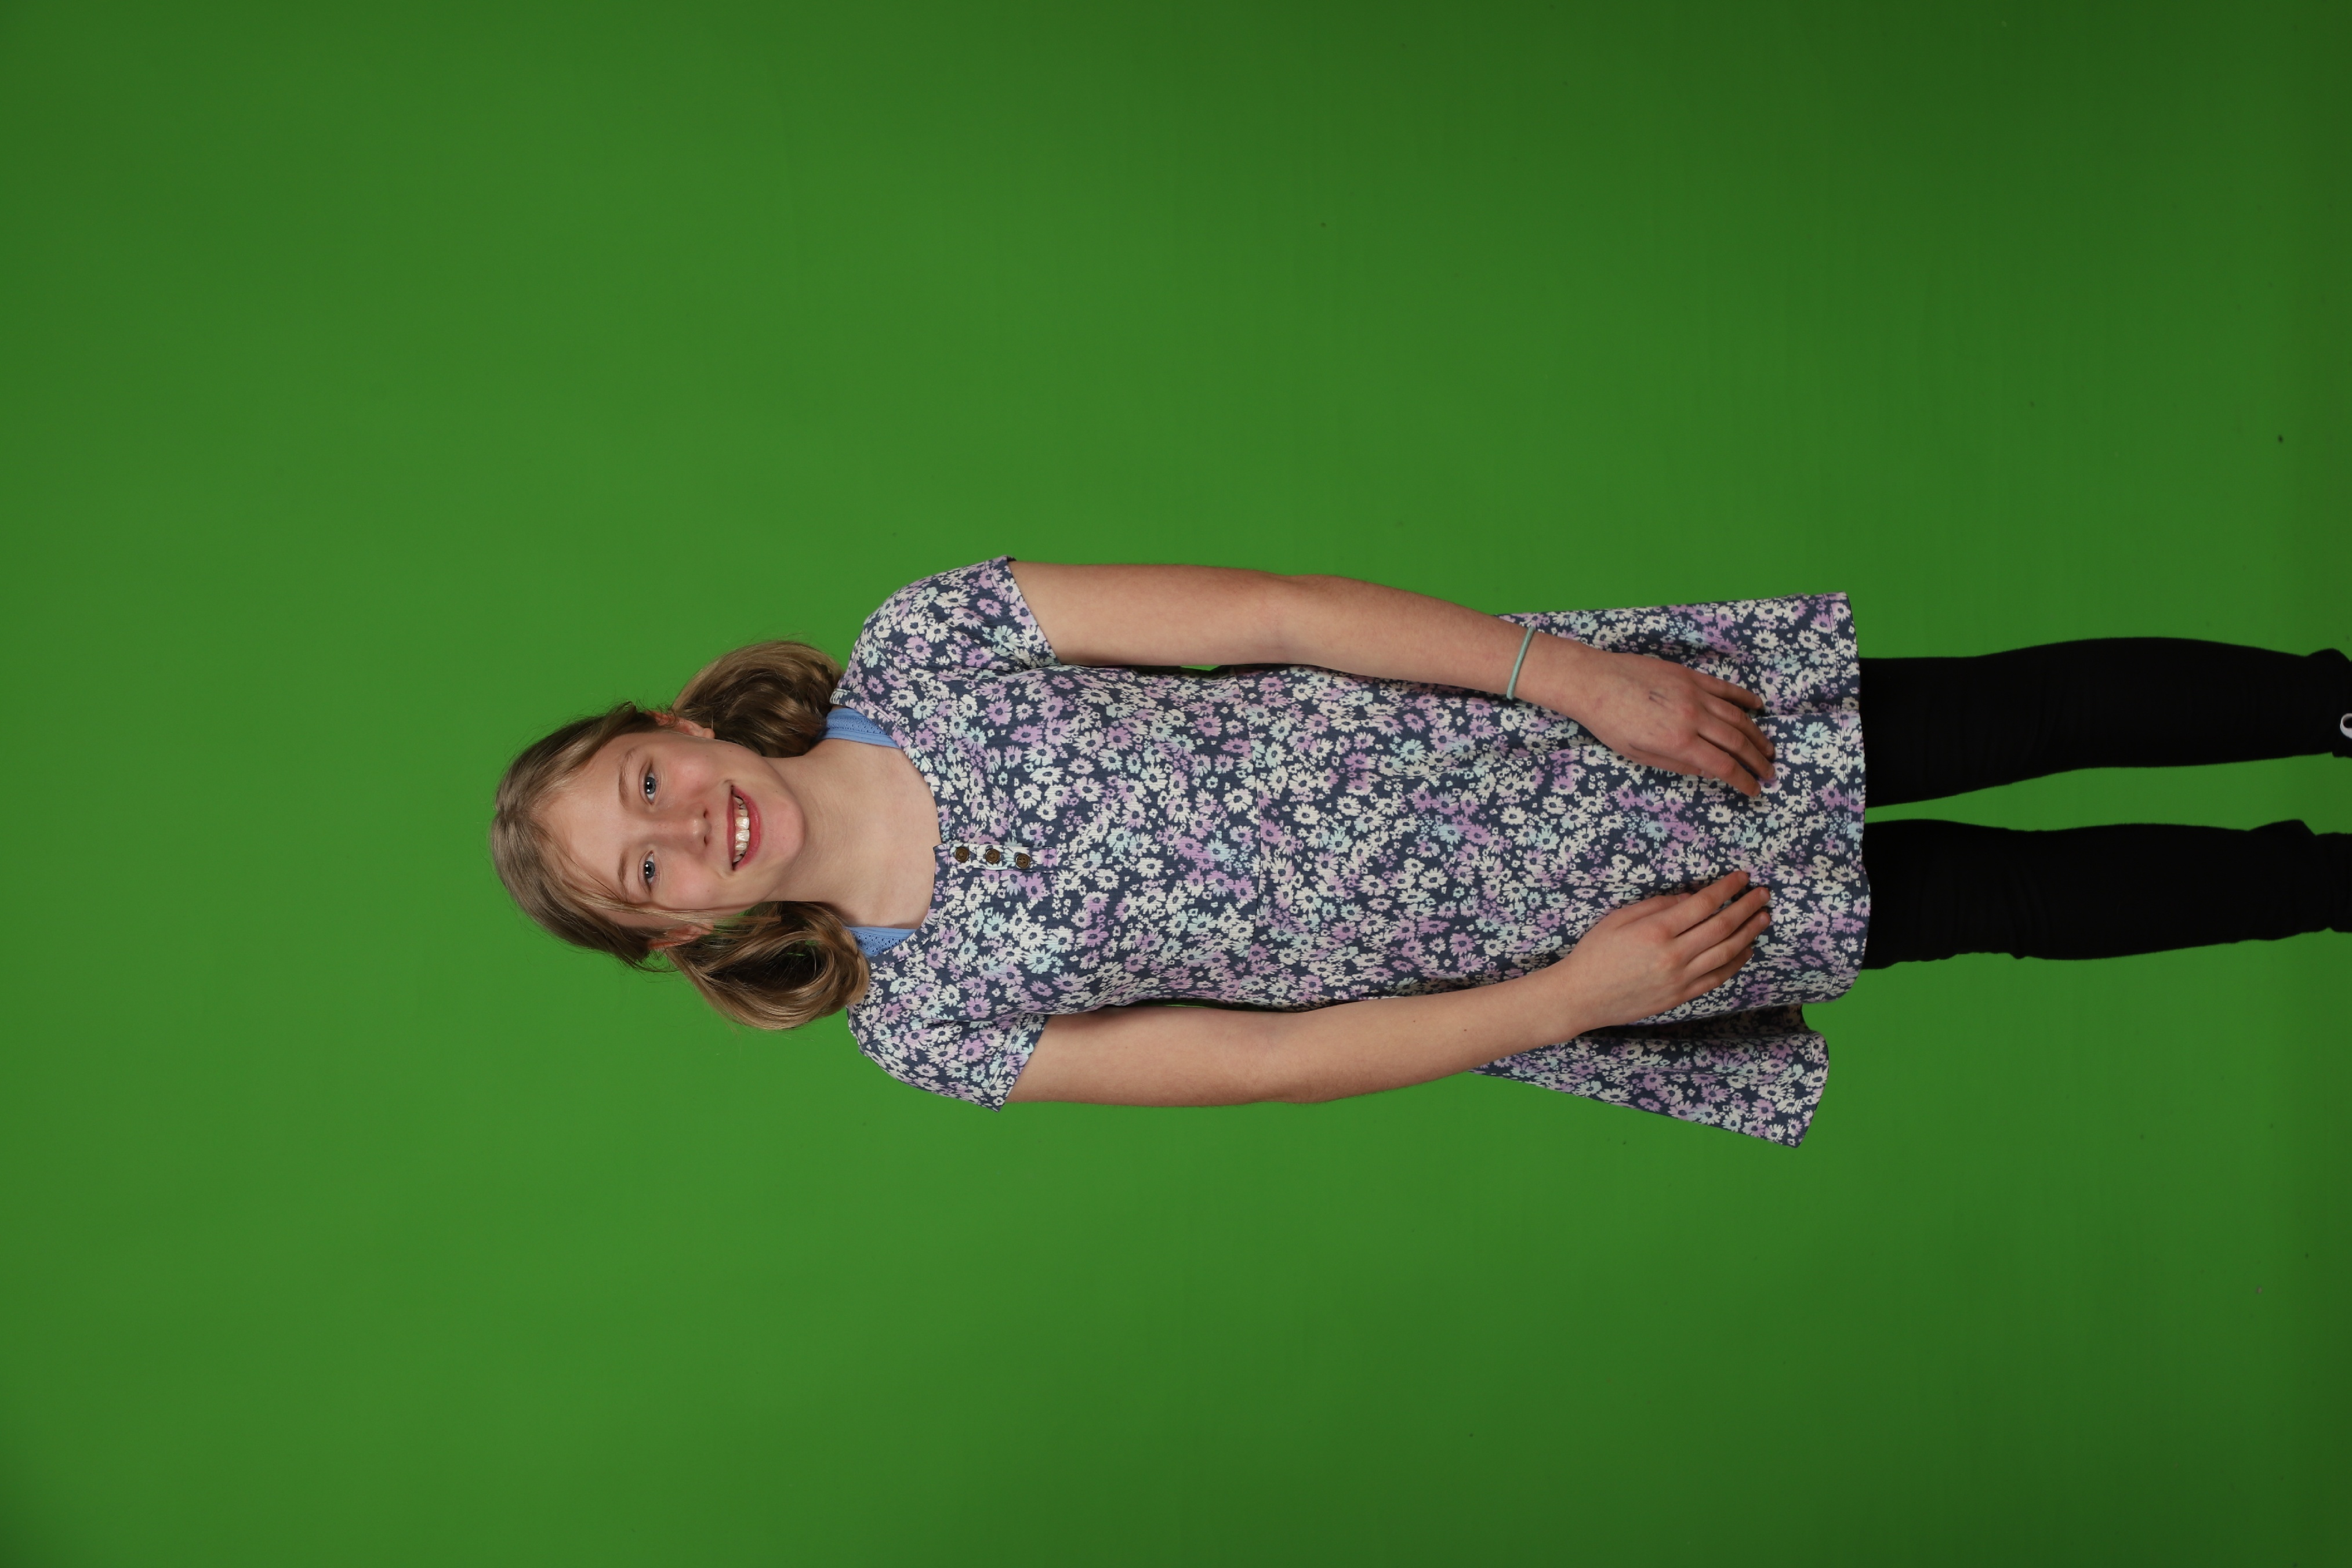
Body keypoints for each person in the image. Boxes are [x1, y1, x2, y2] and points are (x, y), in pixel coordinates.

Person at [491, 557, 2351, 1146]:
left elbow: (1277, 615)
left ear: (680, 725)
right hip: (1568, 939)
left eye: (645, 784)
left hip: (1557, 732)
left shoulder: (934, 638)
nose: (683, 830)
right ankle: (2327, 884)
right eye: (644, 872)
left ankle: (2336, 701)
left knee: (2011, 712)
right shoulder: (929, 1028)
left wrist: (1576, 677)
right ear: (681, 935)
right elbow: (1269, 1063)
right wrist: (1575, 998)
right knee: (2004, 901)